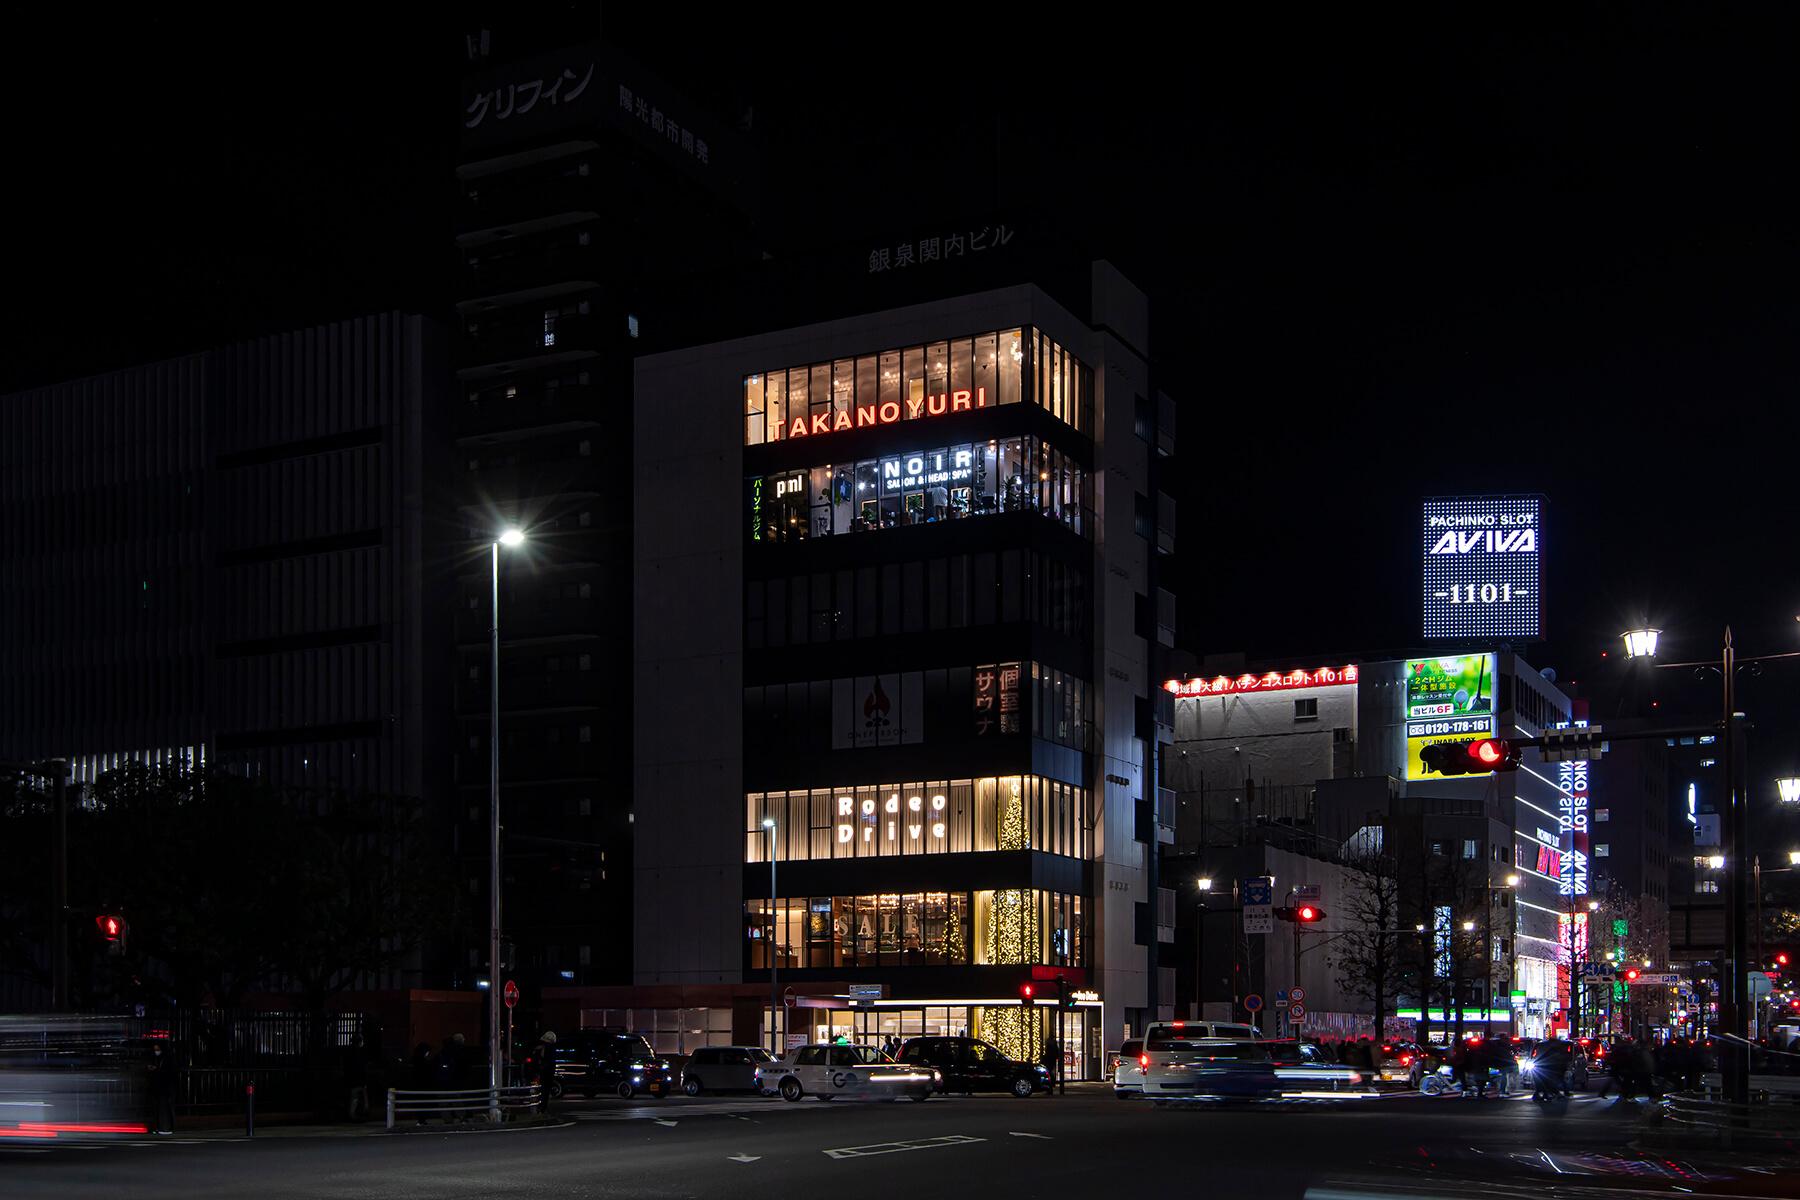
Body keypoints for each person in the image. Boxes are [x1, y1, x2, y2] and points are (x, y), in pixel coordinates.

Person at [147, 1046, 177, 1135]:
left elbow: (170, 1072)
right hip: (157, 1088)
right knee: (157, 1108)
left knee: (164, 1108)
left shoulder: (168, 1058)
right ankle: (159, 1127)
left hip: (165, 1088)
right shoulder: (157, 1058)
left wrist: (157, 1070)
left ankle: (166, 1127)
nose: (156, 1051)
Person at [344, 1033, 369, 1122]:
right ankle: (353, 1115)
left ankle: (352, 1114)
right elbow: (361, 1068)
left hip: (349, 1079)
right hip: (357, 1080)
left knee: (352, 1097)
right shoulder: (360, 1053)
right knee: (356, 1098)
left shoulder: (348, 1051)